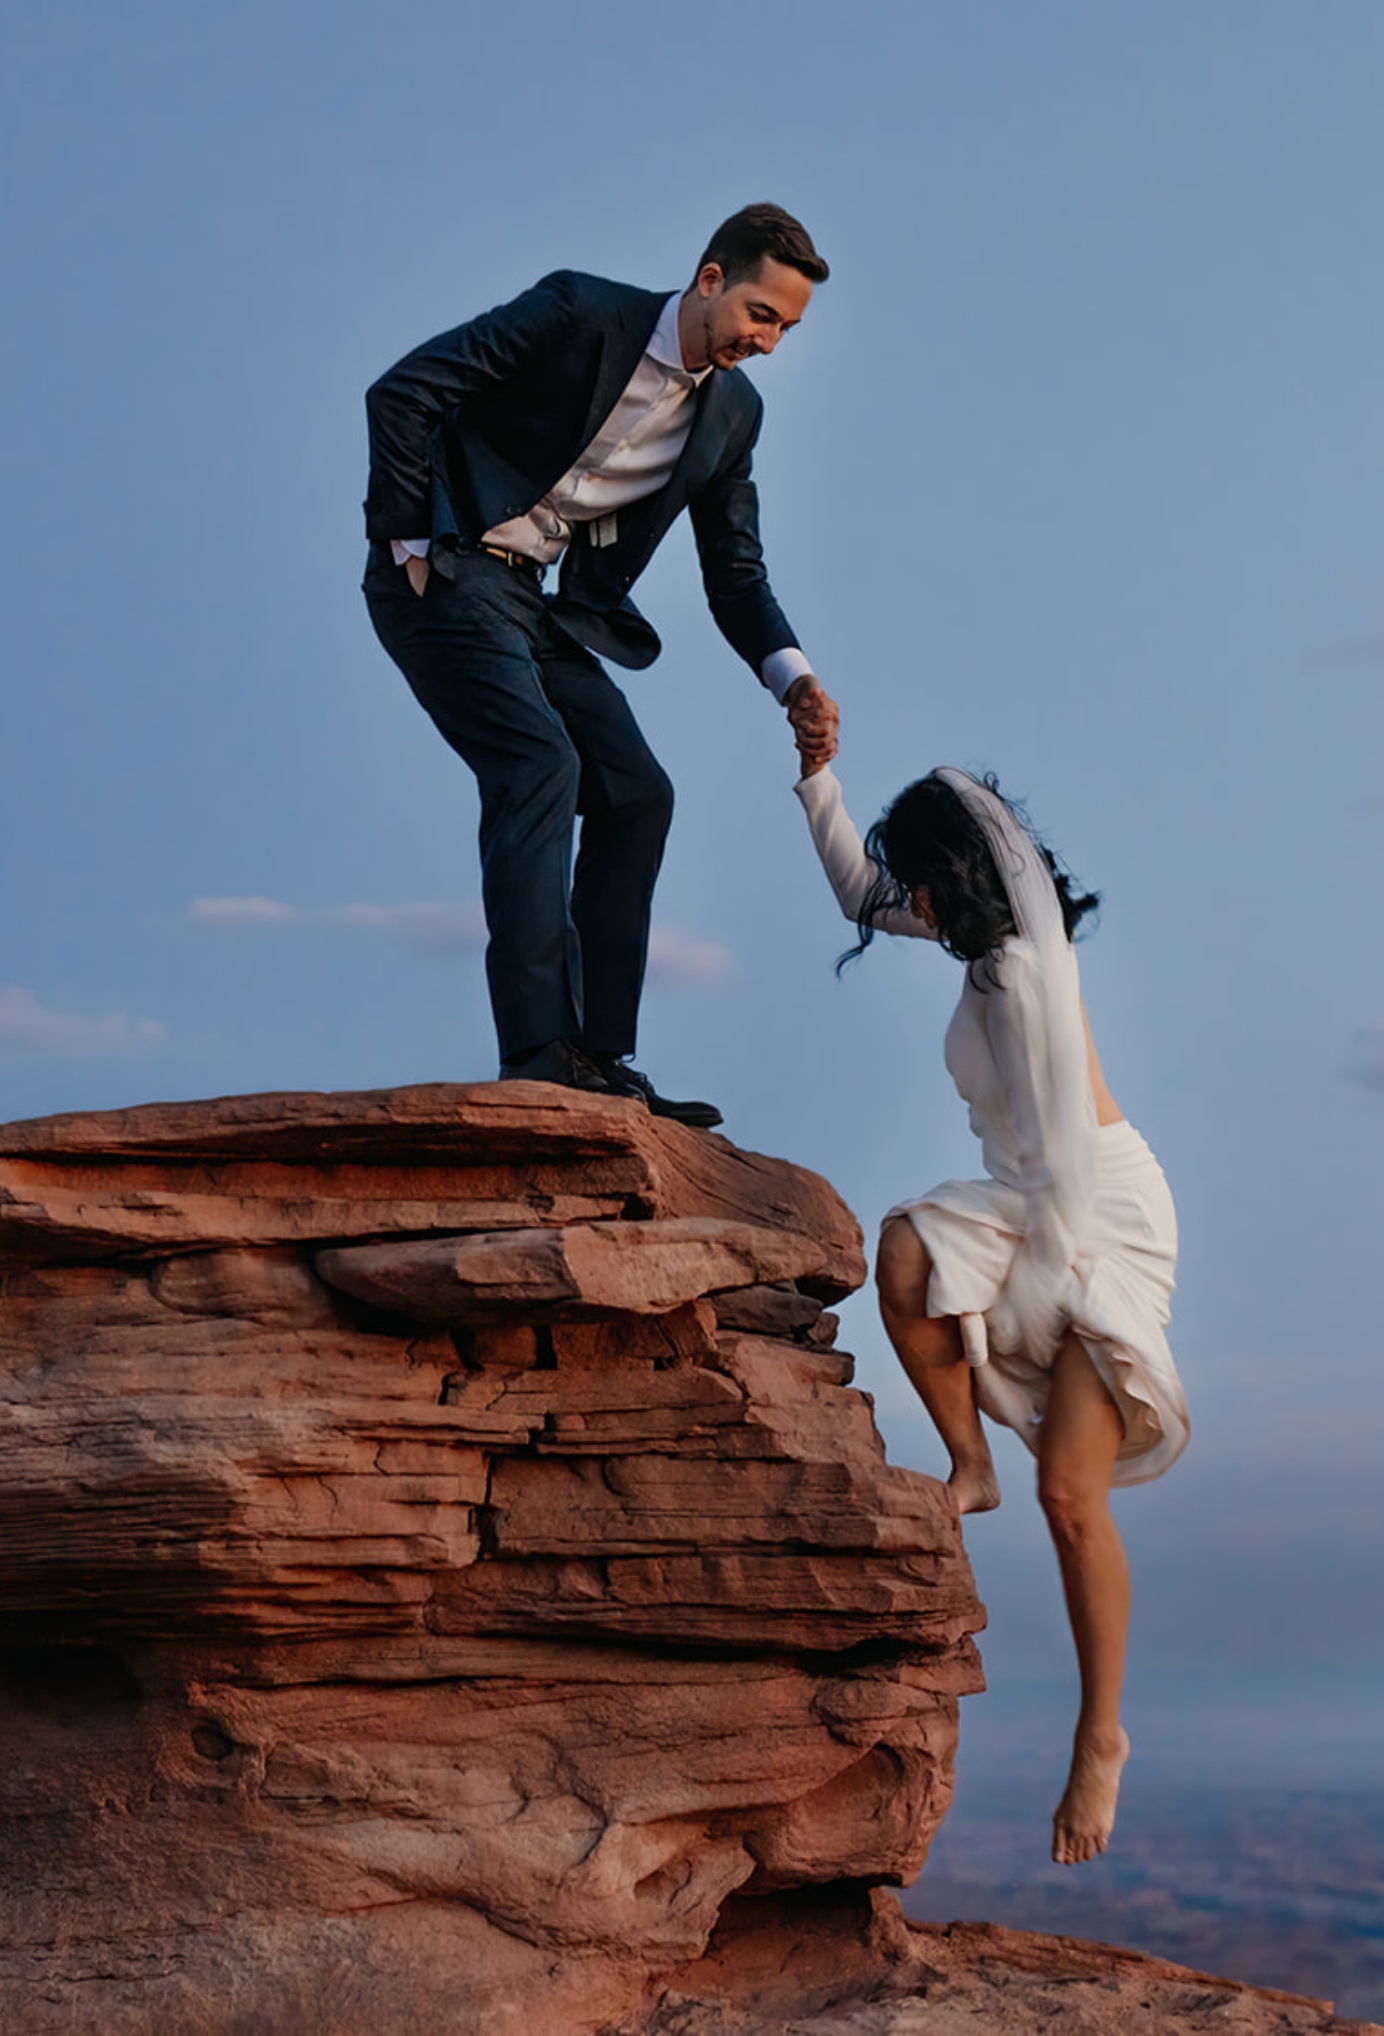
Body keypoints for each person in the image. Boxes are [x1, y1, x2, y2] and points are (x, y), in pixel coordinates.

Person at [793, 746, 1189, 1866]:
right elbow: (851, 891)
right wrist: (814, 772)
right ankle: (967, 1465)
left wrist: (1043, 1286)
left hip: (1099, 1207)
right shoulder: (972, 944)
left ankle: (1100, 1735)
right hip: (1028, 1194)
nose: (901, 900)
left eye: (915, 876)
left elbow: (1065, 1151)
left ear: (957, 875)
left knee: (1070, 1496)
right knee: (904, 1251)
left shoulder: (1027, 971)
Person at [362, 203, 840, 1128]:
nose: (770, 341)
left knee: (636, 792)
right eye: (762, 314)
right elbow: (403, 392)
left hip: (534, 606)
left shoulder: (734, 414)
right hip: (445, 572)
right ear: (711, 279)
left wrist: (795, 678)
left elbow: (736, 575)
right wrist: (409, 540)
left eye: (787, 328)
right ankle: (539, 1054)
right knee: (540, 766)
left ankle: (602, 1058)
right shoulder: (582, 311)